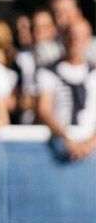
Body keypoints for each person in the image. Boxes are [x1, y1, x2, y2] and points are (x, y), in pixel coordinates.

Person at [36, 18, 96, 161]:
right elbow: (44, 109)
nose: (75, 41)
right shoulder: (48, 72)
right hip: (59, 148)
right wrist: (65, 138)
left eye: (81, 37)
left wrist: (90, 143)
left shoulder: (93, 73)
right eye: (72, 36)